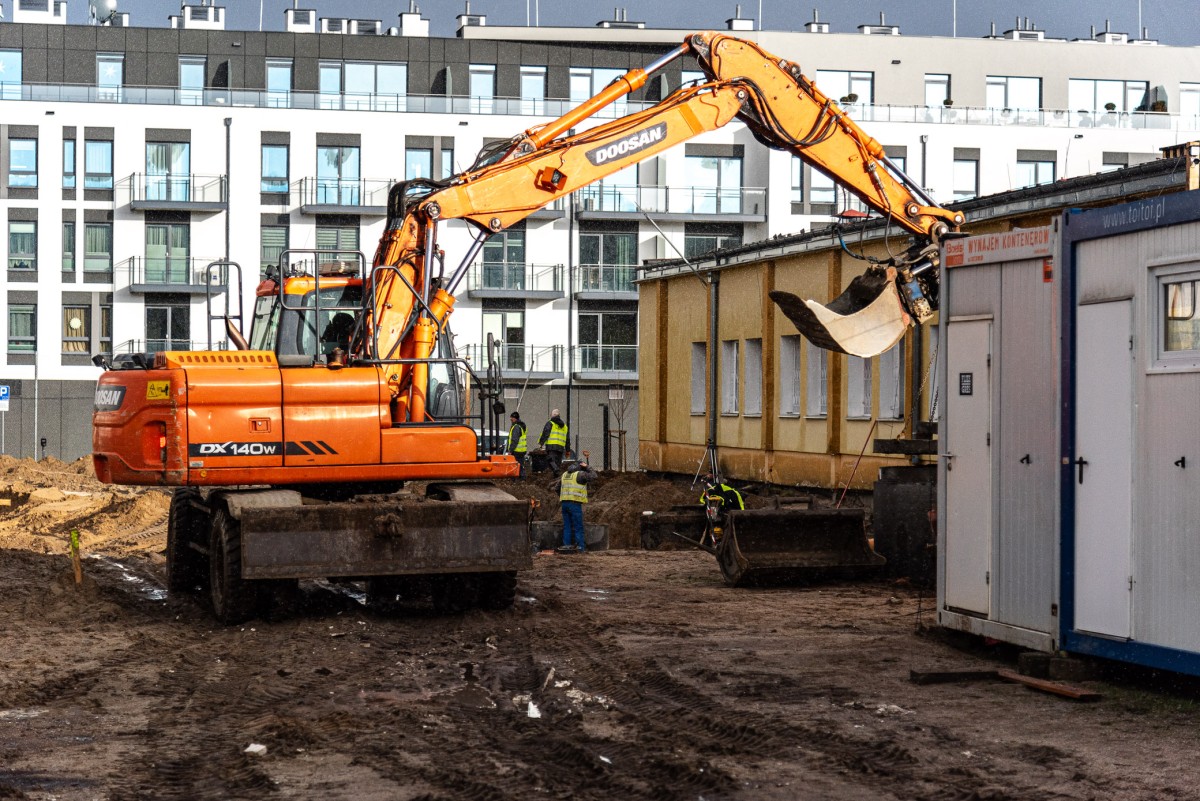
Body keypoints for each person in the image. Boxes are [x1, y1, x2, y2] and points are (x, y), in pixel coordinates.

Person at [551, 454, 597, 553]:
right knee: (578, 527)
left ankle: (566, 548)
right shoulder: (580, 474)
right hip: (574, 504)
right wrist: (587, 467)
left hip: (564, 504)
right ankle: (580, 548)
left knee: (567, 526)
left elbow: (556, 488)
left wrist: (563, 496)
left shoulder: (564, 475)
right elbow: (594, 476)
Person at [539, 408, 568, 474]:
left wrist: (541, 443)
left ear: (552, 415)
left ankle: (555, 471)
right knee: (558, 463)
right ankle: (556, 477)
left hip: (551, 446)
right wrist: (568, 449)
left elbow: (545, 433)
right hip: (560, 448)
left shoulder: (550, 423)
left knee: (551, 461)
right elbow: (567, 439)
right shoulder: (565, 426)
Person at [507, 411, 528, 478]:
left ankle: (517, 478)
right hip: (522, 450)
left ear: (515, 418)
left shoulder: (516, 427)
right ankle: (522, 478)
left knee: (516, 465)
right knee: (521, 465)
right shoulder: (521, 426)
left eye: (512, 418)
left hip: (517, 450)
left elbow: (514, 440)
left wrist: (510, 450)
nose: (510, 419)